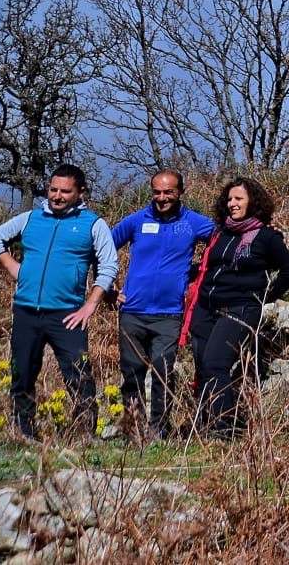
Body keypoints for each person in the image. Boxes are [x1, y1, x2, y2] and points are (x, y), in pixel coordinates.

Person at [0, 164, 118, 442]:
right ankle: (23, 433)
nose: (57, 196)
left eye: (65, 191)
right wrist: (13, 267)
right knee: (22, 374)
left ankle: (85, 436)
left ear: (80, 193)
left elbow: (108, 267)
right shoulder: (31, 218)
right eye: (53, 189)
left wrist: (90, 305)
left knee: (78, 375)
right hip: (26, 311)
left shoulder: (93, 224)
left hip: (68, 314)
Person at [181, 177, 289, 439]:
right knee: (202, 368)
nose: (232, 204)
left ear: (252, 202)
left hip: (240, 308)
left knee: (216, 364)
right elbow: (209, 267)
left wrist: (264, 296)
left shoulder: (267, 237)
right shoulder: (220, 233)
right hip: (206, 307)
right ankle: (207, 426)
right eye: (230, 199)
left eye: (239, 199)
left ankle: (226, 430)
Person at [111, 170, 214, 439]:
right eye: (157, 192)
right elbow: (103, 247)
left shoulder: (192, 222)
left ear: (181, 191)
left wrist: (196, 274)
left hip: (169, 314)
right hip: (133, 311)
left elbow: (224, 241)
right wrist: (108, 289)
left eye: (168, 192)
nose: (162, 197)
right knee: (132, 374)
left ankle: (159, 431)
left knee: (163, 373)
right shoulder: (136, 220)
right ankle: (134, 430)